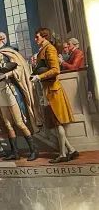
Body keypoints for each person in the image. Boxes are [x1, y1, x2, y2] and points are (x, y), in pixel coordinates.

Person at [0, 32, 39, 161]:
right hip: (0, 90)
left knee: (19, 122)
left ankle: (33, 149)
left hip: (10, 89)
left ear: (1, 39)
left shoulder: (11, 52)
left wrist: (7, 75)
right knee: (7, 123)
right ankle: (15, 152)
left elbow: (19, 69)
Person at [32, 28, 79, 163]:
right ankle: (72, 150)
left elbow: (55, 70)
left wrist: (39, 77)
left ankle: (63, 154)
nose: (36, 39)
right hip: (48, 90)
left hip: (53, 90)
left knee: (57, 123)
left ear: (44, 36)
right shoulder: (43, 49)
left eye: (37, 37)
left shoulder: (49, 48)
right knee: (54, 124)